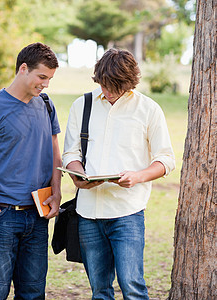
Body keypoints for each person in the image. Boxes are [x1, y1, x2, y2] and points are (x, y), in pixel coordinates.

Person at [62, 48, 175, 299]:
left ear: (129, 83)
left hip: (127, 213)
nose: (108, 91)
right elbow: (70, 154)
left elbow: (166, 160)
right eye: (103, 84)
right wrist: (78, 175)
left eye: (114, 86)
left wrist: (138, 176)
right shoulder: (82, 105)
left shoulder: (149, 109)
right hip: (88, 213)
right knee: (99, 291)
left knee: (132, 287)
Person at [0, 42, 62, 299]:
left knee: (33, 293)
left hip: (38, 216)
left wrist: (57, 193)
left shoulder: (46, 105)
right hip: (3, 217)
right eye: (42, 77)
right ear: (23, 68)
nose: (45, 84)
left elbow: (55, 154)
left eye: (50, 79)